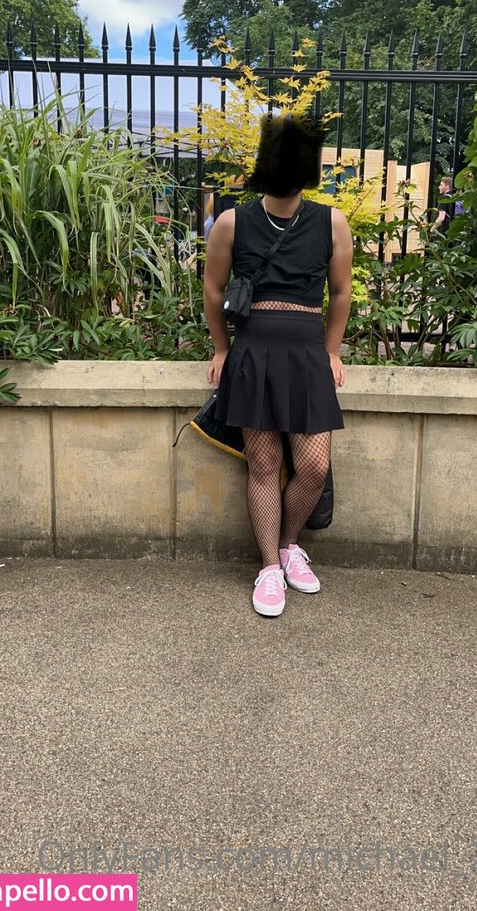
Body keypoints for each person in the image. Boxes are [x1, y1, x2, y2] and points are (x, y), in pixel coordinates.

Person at [203, 114, 353, 617]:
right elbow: (213, 290)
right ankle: (269, 566)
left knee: (313, 467)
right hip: (254, 354)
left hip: (307, 355)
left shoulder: (331, 222)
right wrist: (221, 348)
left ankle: (290, 546)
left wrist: (332, 350)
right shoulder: (233, 222)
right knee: (264, 465)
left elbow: (341, 292)